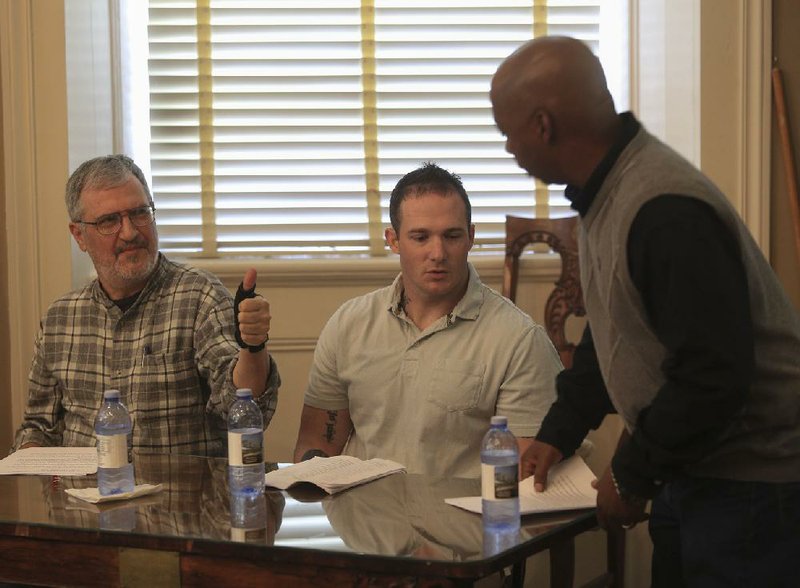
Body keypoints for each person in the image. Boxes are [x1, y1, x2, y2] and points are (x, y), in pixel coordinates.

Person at [490, 36, 800, 587]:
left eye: (506, 129)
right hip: (694, 473)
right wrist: (558, 432)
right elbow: (614, 334)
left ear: (543, 125)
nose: (506, 145)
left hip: (751, 489)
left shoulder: (663, 210)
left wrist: (630, 476)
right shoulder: (603, 192)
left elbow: (714, 374)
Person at [292, 162, 562, 479]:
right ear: (393, 240)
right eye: (420, 237)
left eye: (452, 236)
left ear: (471, 237)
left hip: (469, 523)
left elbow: (525, 476)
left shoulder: (519, 340)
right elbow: (316, 444)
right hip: (365, 518)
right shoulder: (348, 325)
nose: (437, 253)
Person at [12, 154, 280, 456]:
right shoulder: (60, 319)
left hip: (180, 498)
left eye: (140, 213)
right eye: (109, 221)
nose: (130, 232)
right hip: (82, 499)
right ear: (79, 235)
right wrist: (42, 483)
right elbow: (38, 427)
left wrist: (253, 348)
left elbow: (240, 405)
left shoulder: (198, 296)